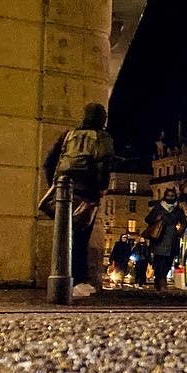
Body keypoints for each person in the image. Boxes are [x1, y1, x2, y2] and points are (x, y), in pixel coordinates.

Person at [42, 102, 115, 298]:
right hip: (87, 191)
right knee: (81, 237)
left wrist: (56, 184)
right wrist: (101, 188)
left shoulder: (69, 135)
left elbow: (49, 161)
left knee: (64, 234)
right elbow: (104, 163)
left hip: (64, 188)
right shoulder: (102, 137)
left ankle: (62, 278)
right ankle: (77, 280)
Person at [142, 189, 187, 291]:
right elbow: (148, 219)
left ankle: (161, 278)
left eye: (172, 196)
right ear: (165, 196)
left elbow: (184, 223)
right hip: (159, 236)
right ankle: (160, 279)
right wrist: (156, 218)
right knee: (159, 260)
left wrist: (179, 232)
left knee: (168, 260)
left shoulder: (178, 209)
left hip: (172, 237)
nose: (170, 198)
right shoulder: (158, 208)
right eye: (168, 196)